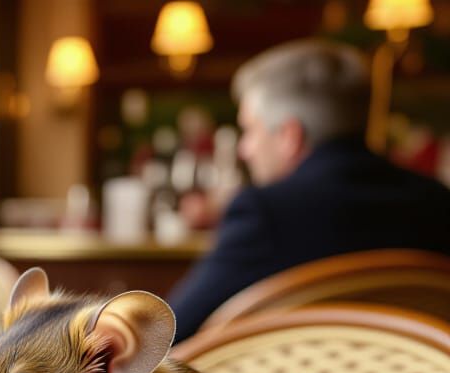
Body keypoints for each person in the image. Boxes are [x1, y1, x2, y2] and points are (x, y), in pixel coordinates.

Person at [167, 39, 450, 342]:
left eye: (249, 130)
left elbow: (168, 337)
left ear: (290, 136)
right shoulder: (437, 201)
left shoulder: (266, 214)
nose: (244, 149)